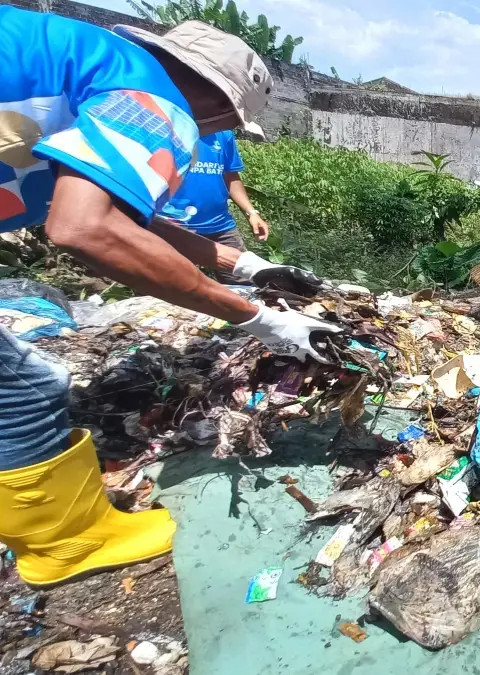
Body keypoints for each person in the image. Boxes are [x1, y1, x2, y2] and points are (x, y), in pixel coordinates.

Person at [0, 8, 338, 587]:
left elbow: (132, 217)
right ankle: (66, 544)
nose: (209, 135)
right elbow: (87, 230)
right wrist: (258, 320)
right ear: (218, 104)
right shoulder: (153, 97)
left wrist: (248, 265)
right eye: (224, 123)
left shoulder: (93, 66)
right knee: (28, 388)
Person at [160, 129, 270, 283]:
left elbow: (231, 176)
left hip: (220, 226)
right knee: (171, 286)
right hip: (174, 225)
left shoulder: (223, 133)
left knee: (244, 283)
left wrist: (252, 212)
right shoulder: (171, 126)